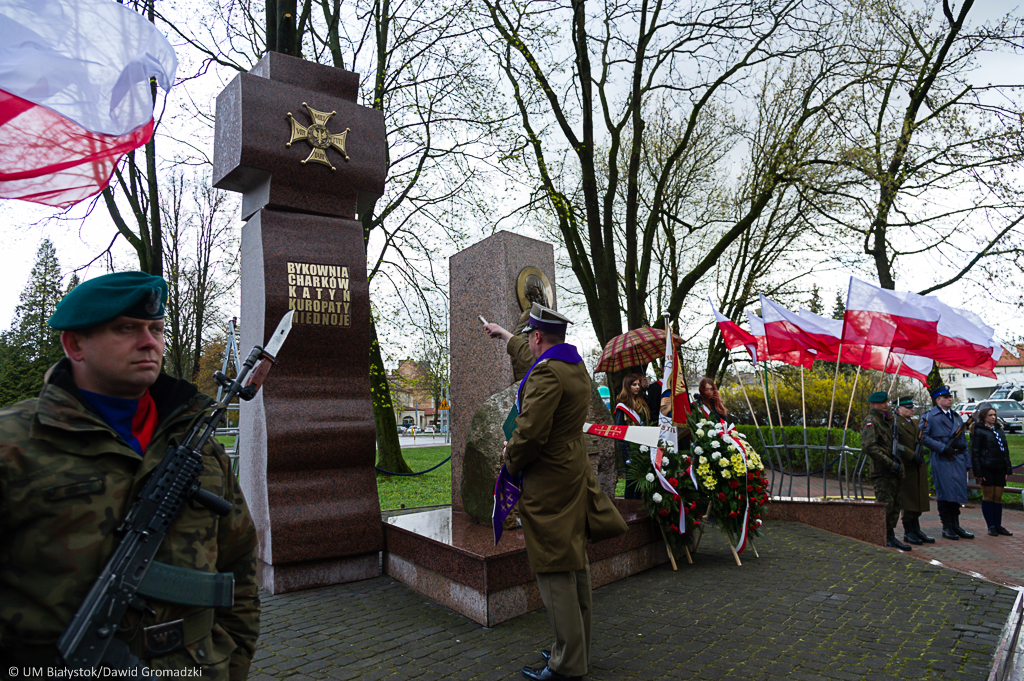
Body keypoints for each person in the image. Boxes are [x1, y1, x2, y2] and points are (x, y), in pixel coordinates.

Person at [0, 272, 260, 678]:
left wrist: (231, 661)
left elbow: (239, 563)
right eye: (126, 328)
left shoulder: (199, 444)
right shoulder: (13, 444)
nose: (149, 342)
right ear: (75, 344)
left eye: (156, 329)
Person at [484, 304, 627, 681]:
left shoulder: (547, 374)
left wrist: (509, 457)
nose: (527, 344)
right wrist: (504, 335)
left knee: (554, 569)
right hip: (573, 472)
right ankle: (575, 648)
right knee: (575, 563)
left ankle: (566, 664)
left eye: (528, 339)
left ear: (537, 338)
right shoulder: (573, 364)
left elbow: (530, 433)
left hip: (549, 482)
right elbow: (532, 353)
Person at [860, 391, 910, 551]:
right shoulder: (871, 421)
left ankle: (890, 536)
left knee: (895, 505)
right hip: (882, 470)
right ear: (873, 404)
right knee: (885, 506)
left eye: (886, 402)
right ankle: (883, 536)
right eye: (882, 402)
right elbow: (869, 447)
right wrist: (889, 463)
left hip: (893, 469)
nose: (886, 404)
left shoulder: (887, 420)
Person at [921, 385, 973, 540]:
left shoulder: (956, 416)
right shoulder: (930, 416)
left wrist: (967, 461)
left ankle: (956, 525)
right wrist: (942, 448)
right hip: (942, 458)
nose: (949, 399)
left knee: (957, 492)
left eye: (950, 397)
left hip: (957, 459)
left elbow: (963, 440)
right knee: (945, 493)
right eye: (945, 397)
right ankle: (947, 527)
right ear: (938, 400)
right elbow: (922, 436)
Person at [970, 404, 1014, 537]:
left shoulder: (999, 430)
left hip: (1000, 467)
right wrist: (978, 472)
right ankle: (991, 526)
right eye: (990, 415)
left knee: (998, 497)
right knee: (988, 496)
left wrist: (1007, 468)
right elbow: (975, 453)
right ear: (983, 416)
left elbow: (1005, 450)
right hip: (986, 468)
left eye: (994, 415)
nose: (993, 417)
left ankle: (998, 524)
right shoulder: (978, 431)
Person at [894, 396, 933, 545]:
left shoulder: (913, 424)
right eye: (907, 408)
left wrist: (921, 452)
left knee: (918, 499)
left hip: (917, 466)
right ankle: (909, 531)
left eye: (912, 407)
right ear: (899, 409)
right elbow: (896, 445)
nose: (911, 409)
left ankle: (916, 529)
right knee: (908, 501)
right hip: (907, 466)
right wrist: (912, 455)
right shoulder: (896, 423)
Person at [613, 374, 651, 500]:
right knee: (631, 481)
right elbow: (619, 431)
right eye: (634, 384)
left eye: (638, 384)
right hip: (629, 448)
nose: (637, 387)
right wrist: (626, 452)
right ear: (627, 386)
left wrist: (646, 388)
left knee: (641, 479)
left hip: (642, 446)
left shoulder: (642, 402)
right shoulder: (621, 407)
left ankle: (639, 506)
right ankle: (628, 508)